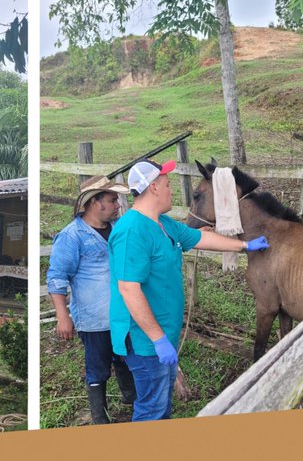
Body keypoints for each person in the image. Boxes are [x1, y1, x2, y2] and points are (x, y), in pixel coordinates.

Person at [109, 159, 269, 421]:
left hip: (163, 333)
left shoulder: (162, 223)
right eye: (167, 183)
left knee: (160, 405)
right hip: (145, 341)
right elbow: (128, 289)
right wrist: (158, 340)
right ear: (154, 188)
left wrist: (244, 246)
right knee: (151, 409)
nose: (171, 189)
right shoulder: (132, 231)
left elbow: (199, 237)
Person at [46, 176, 138, 424]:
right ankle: (101, 418)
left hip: (123, 313)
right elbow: (57, 277)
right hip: (94, 318)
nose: (118, 204)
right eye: (112, 200)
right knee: (98, 368)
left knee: (126, 359)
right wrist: (62, 316)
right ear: (95, 203)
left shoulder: (118, 229)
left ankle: (132, 403)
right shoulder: (73, 236)